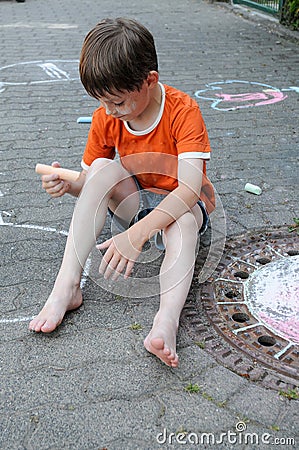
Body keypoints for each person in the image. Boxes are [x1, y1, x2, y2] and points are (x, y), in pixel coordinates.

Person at [29, 17, 215, 368]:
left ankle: (166, 322)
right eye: (102, 102)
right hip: (136, 202)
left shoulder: (183, 110)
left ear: (150, 81)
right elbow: (93, 185)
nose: (110, 111)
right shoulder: (107, 114)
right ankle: (66, 287)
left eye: (118, 102)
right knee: (100, 169)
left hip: (179, 205)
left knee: (186, 221)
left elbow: (190, 189)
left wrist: (137, 235)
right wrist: (70, 186)